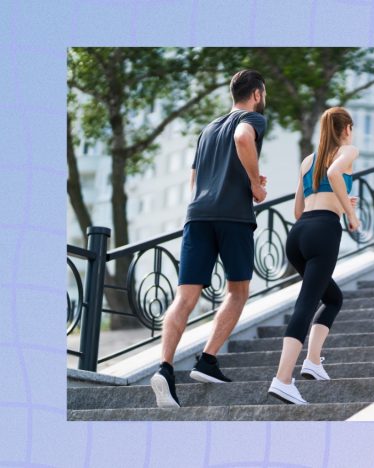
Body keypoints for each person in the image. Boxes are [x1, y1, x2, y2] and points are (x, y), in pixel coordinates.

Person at [151, 70, 268, 408]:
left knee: (184, 297)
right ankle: (207, 359)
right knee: (238, 290)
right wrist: (255, 184)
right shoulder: (251, 118)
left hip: (197, 215)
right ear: (257, 94)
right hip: (232, 216)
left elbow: (194, 177)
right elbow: (244, 138)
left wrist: (207, 199)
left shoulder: (208, 129)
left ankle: (165, 368)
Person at [267, 107, 360, 405]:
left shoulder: (308, 161)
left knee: (332, 298)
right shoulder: (348, 150)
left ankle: (313, 362)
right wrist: (350, 212)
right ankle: (282, 379)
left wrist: (340, 199)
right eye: (351, 127)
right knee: (306, 305)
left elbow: (298, 209)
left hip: (299, 235)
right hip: (323, 232)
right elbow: (334, 173)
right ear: (345, 128)